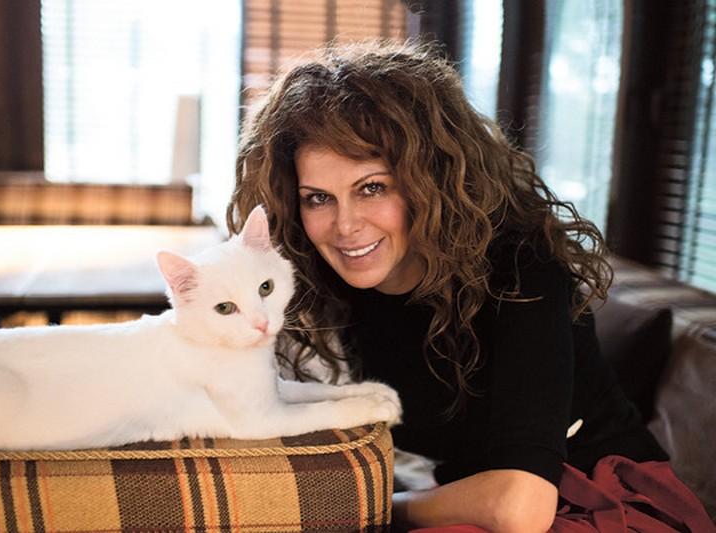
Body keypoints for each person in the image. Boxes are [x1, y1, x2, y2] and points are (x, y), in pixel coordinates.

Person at [226, 41, 709, 532]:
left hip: (602, 505)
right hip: (476, 503)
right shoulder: (327, 278)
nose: (345, 226)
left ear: (428, 179)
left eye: (372, 187)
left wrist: (368, 507)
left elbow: (519, 508)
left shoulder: (520, 267)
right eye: (318, 198)